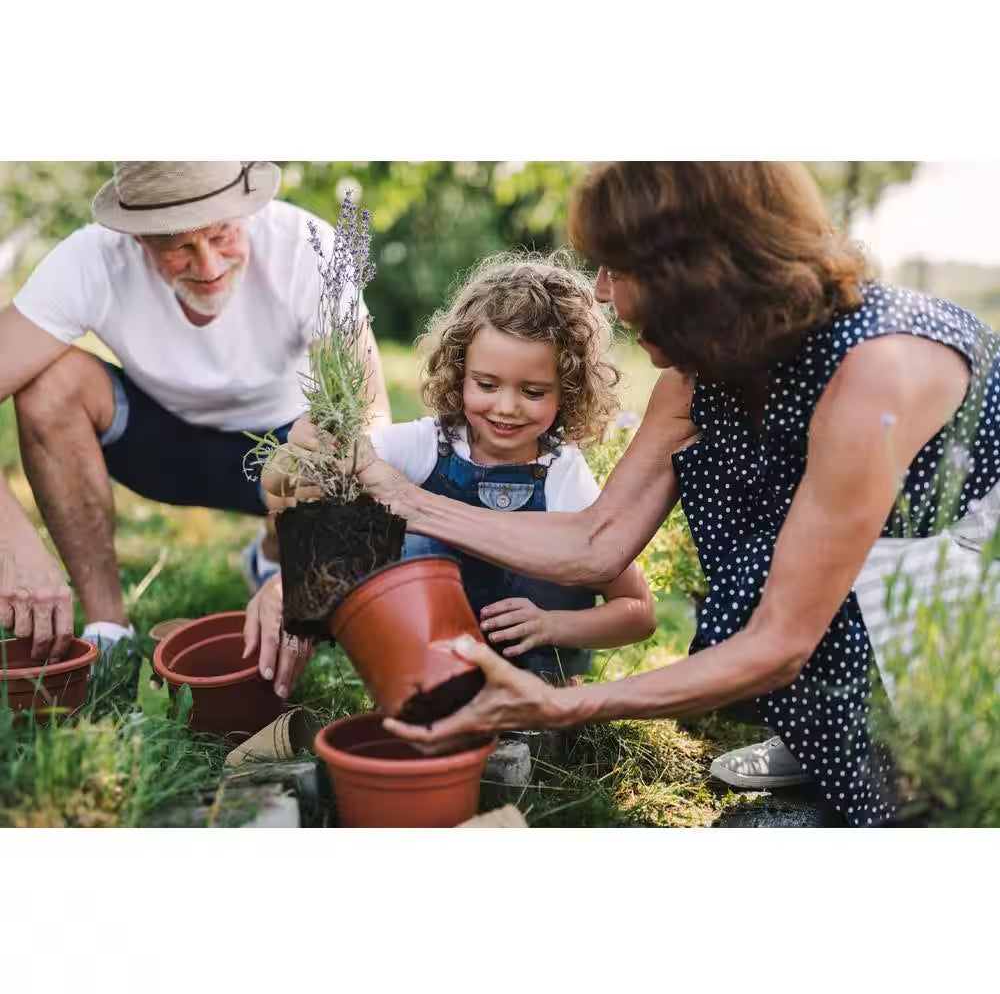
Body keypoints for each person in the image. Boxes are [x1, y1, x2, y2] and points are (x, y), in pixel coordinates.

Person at [277, 162, 1000, 828]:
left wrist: (561, 703)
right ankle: (825, 739)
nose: (597, 292)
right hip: (850, 561)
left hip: (957, 591)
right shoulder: (702, 370)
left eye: (617, 269)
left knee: (916, 809)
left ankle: (894, 750)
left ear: (697, 274)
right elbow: (598, 542)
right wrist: (404, 500)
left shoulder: (876, 374)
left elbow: (779, 642)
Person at [0, 161, 390, 673]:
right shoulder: (91, 258)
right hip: (160, 446)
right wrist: (11, 542)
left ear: (247, 211)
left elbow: (370, 420)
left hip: (282, 452)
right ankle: (109, 630)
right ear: (137, 238)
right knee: (48, 385)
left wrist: (305, 566)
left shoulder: (306, 246)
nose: (207, 265)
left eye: (222, 234)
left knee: (332, 441)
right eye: (177, 246)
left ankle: (273, 556)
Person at [252, 253, 657, 700]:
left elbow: (638, 611)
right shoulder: (428, 445)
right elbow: (283, 486)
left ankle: (540, 709)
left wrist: (554, 625)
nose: (506, 406)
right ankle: (419, 689)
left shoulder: (562, 475)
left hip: (532, 682)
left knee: (556, 552)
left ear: (569, 391)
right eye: (486, 384)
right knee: (404, 537)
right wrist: (296, 450)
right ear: (460, 373)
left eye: (533, 391)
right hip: (430, 666)